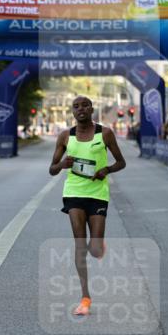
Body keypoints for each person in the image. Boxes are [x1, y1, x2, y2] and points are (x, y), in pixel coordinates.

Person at [48, 96, 126, 317]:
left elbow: (122, 162)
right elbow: (52, 169)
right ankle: (85, 298)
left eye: (84, 105)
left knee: (94, 249)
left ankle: (99, 246)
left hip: (98, 194)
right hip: (73, 193)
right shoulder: (65, 136)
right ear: (72, 111)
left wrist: (107, 170)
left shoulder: (105, 133)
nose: (80, 109)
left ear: (92, 109)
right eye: (76, 106)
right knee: (80, 245)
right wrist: (63, 164)